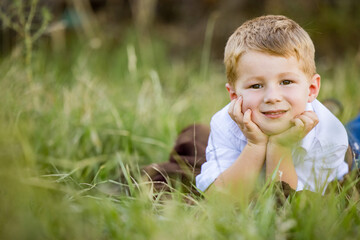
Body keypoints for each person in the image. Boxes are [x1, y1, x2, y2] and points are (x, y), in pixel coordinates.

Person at [195, 15, 349, 199]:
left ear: (312, 88)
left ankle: (324, 109)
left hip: (345, 153)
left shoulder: (329, 136)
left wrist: (279, 147)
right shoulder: (224, 124)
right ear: (234, 96)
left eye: (286, 81)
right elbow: (217, 199)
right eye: (256, 86)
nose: (272, 97)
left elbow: (290, 203)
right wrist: (255, 144)